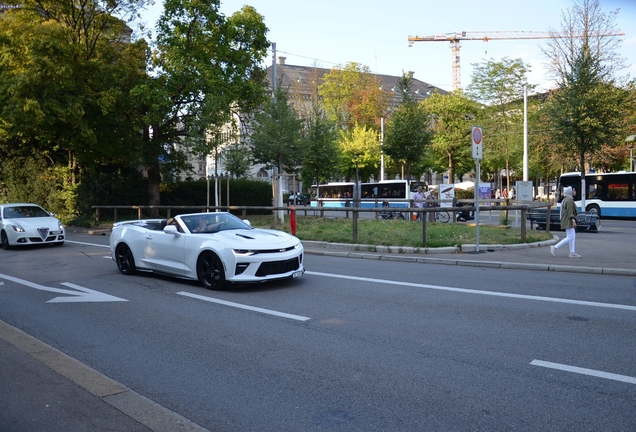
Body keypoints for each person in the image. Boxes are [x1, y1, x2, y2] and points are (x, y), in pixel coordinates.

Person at [550, 186, 580, 258]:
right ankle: (555, 247)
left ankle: (572, 252)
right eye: (574, 190)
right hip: (568, 220)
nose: (574, 191)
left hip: (566, 219)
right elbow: (570, 212)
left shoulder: (566, 199)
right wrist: (573, 221)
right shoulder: (569, 200)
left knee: (572, 236)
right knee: (570, 236)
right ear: (570, 192)